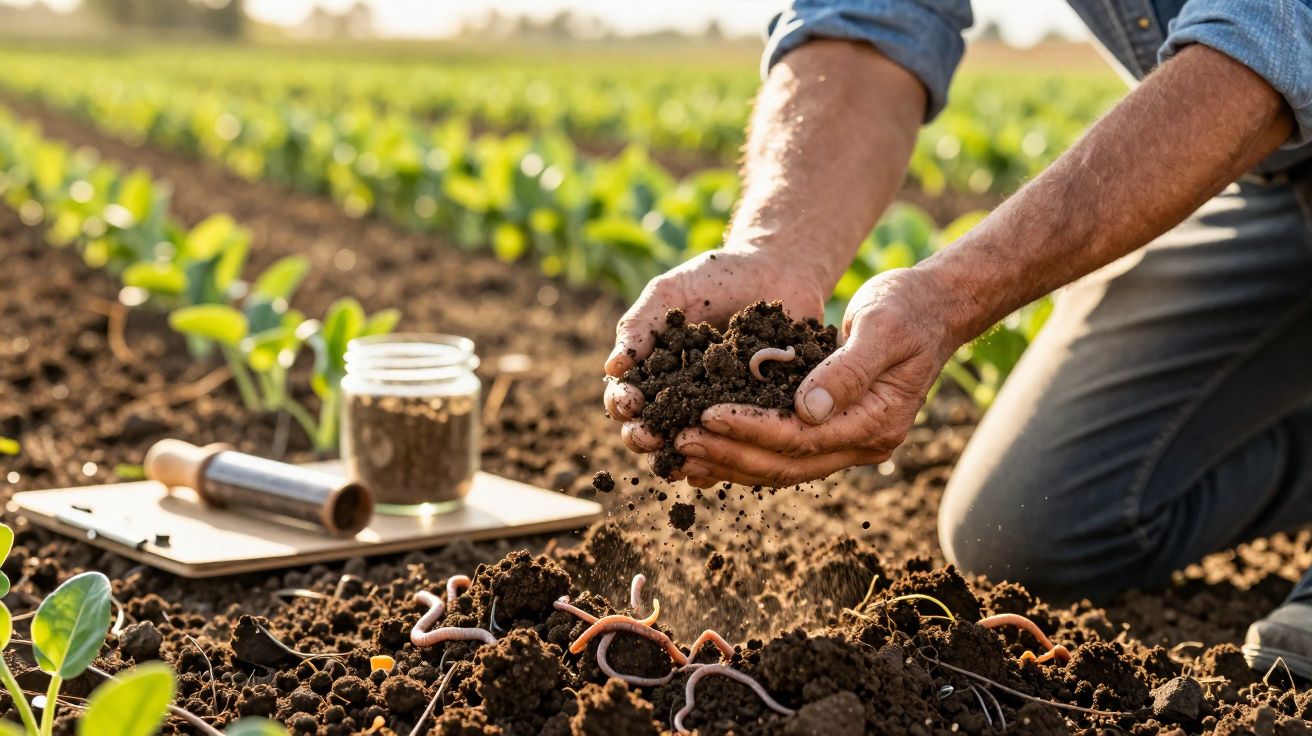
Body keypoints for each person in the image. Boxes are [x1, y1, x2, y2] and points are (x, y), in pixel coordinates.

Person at [604, 1, 1312, 676]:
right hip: (1265, 172)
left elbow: (1271, 32)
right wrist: (778, 250)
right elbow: (868, 18)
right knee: (1030, 527)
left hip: (1263, 98)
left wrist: (949, 297)